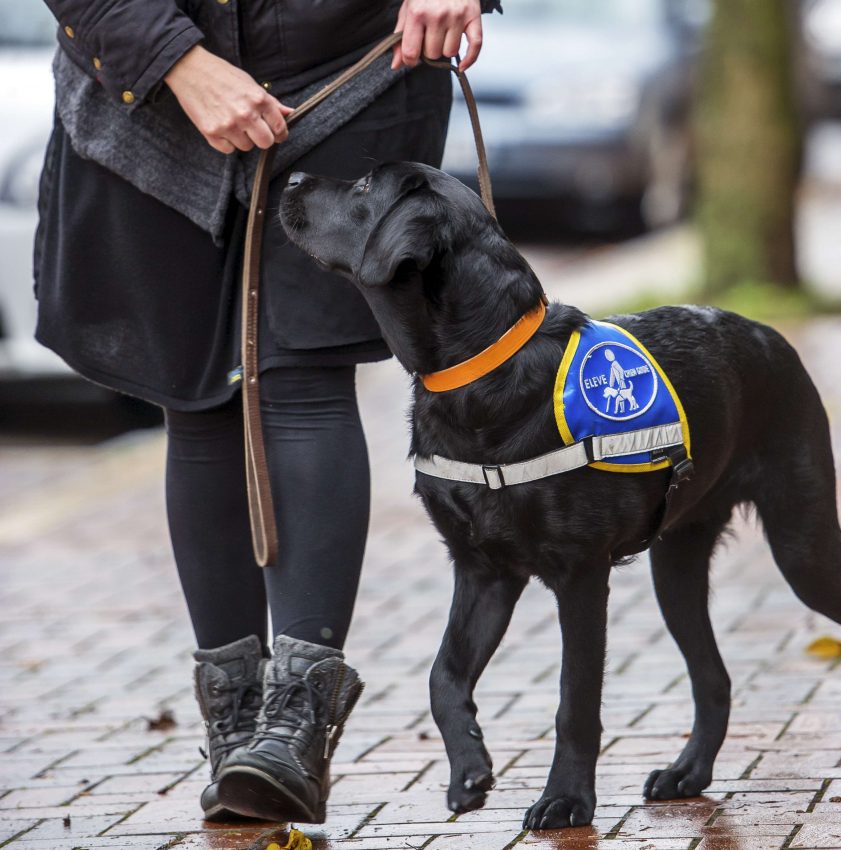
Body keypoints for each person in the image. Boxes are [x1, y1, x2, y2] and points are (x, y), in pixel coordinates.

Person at [34, 0, 498, 824]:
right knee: (198, 393)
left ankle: (294, 730)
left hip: (356, 65)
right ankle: (237, 727)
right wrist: (174, 59)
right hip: (145, 90)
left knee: (303, 376)